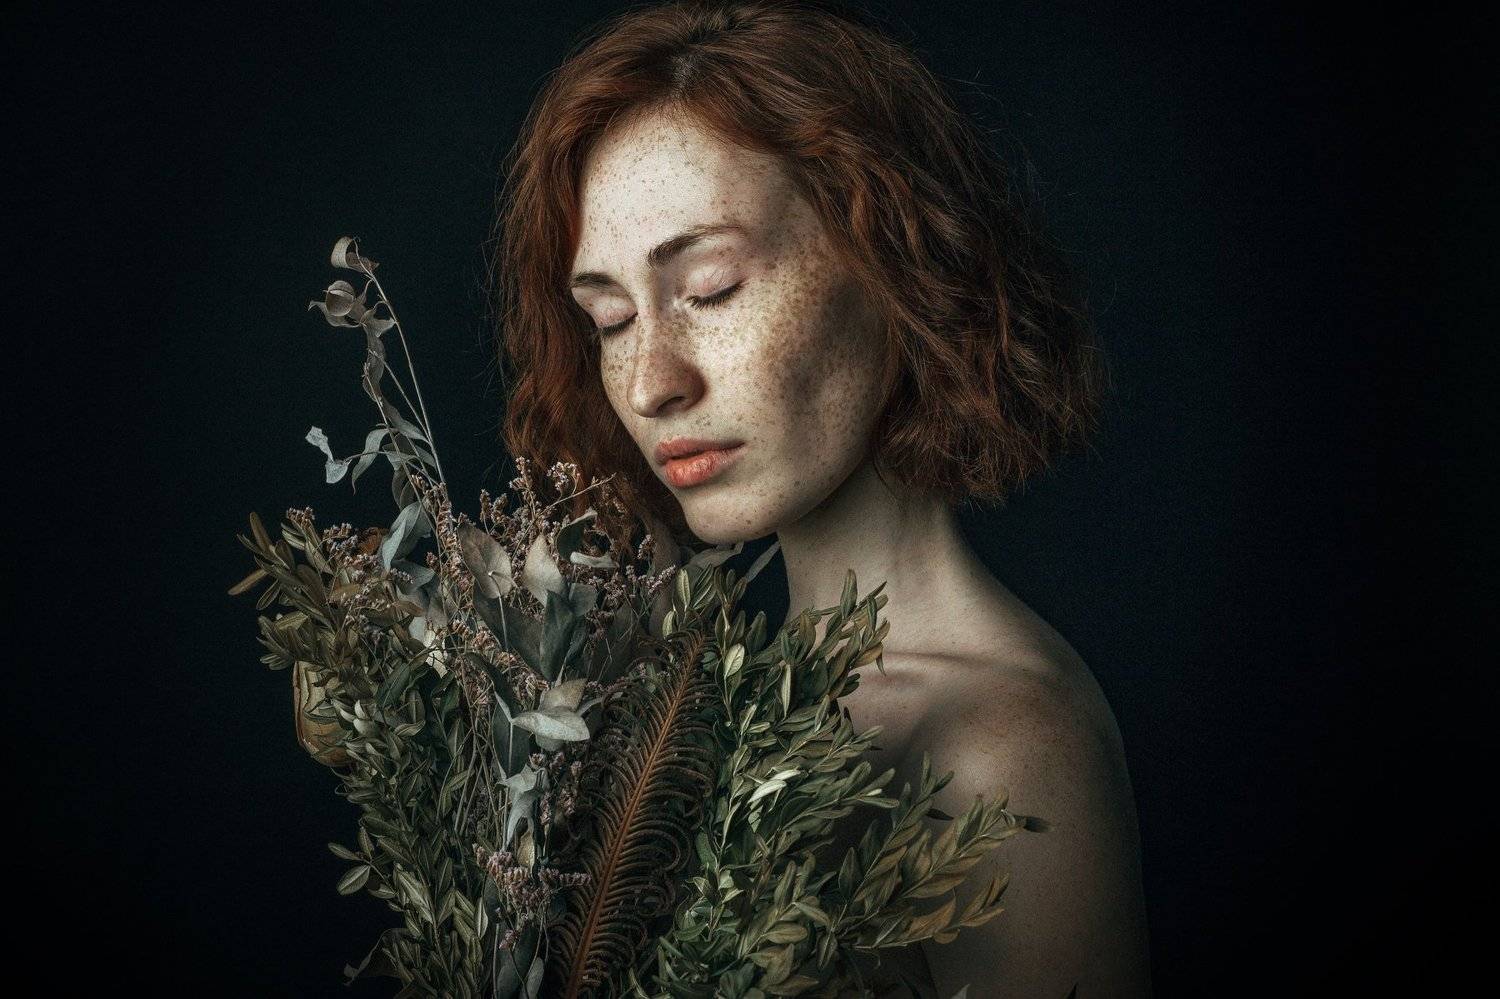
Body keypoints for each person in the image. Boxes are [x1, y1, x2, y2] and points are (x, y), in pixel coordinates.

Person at [491, 2, 1151, 995]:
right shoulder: (679, 712)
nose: (650, 384)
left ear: (897, 264)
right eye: (611, 318)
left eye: (712, 287)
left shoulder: (1001, 751)